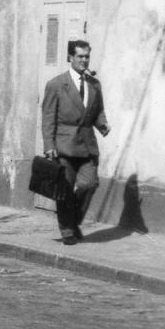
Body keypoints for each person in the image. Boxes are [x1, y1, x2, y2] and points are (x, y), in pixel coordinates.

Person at [41, 39, 109, 245]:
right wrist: (49, 146)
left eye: (87, 56)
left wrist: (103, 125)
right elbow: (48, 118)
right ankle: (67, 230)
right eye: (80, 56)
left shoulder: (94, 84)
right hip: (64, 146)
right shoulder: (56, 84)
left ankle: (73, 221)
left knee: (89, 184)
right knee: (65, 189)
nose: (84, 60)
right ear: (70, 57)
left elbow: (97, 110)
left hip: (87, 144)